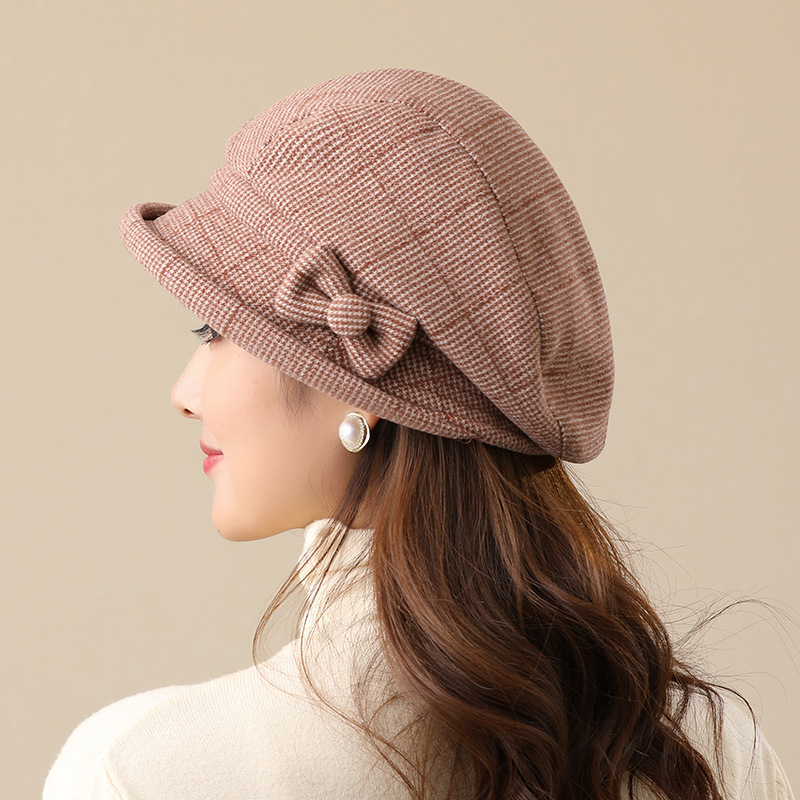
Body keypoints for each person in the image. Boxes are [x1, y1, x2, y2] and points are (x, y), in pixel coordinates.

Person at [43, 67, 794, 800]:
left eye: (216, 331)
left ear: (360, 388)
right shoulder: (711, 749)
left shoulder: (140, 771)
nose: (184, 394)